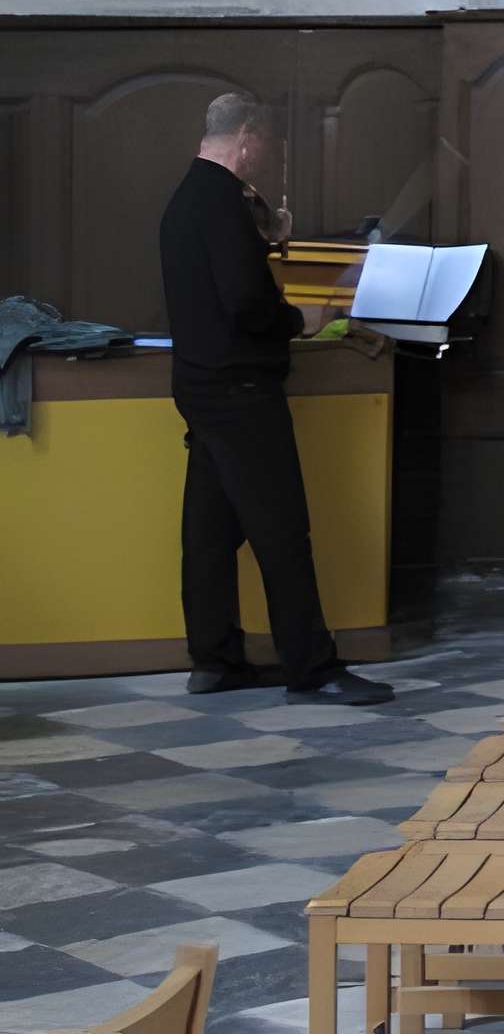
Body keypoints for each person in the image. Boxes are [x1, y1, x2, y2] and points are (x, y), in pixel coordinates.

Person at [157, 94, 392, 705]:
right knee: (282, 528)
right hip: (240, 391)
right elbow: (243, 301)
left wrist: (267, 240)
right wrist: (297, 320)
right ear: (249, 135)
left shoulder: (189, 198)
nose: (272, 157)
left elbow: (220, 285)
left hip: (202, 385)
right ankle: (312, 668)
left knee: (208, 531)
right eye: (271, 145)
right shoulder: (222, 204)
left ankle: (215, 659)